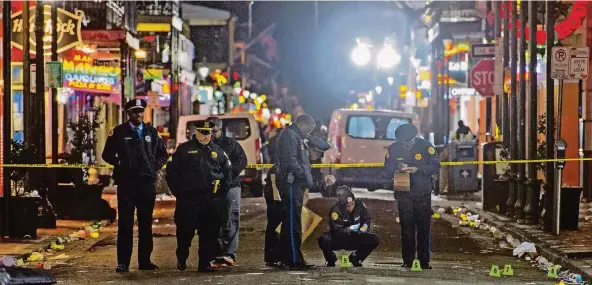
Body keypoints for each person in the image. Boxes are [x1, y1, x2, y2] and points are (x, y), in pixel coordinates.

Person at [102, 98, 168, 273]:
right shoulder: (118, 132)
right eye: (134, 111)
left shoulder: (151, 132)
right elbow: (106, 154)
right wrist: (120, 164)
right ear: (128, 113)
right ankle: (123, 262)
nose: (138, 114)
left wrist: (152, 166)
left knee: (145, 223)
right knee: (125, 223)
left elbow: (163, 154)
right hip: (127, 183)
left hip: (146, 183)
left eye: (140, 111)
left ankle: (145, 261)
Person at [165, 120, 232, 272]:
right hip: (189, 199)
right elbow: (171, 173)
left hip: (211, 199)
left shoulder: (218, 151)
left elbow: (228, 173)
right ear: (196, 132)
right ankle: (182, 255)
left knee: (209, 232)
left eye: (208, 133)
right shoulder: (184, 150)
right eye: (203, 133)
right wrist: (179, 192)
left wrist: (222, 192)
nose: (205, 136)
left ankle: (205, 263)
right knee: (185, 232)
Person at [264, 135, 333, 267]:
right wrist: (322, 184)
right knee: (277, 220)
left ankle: (279, 257)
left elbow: (305, 181)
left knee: (283, 223)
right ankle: (275, 257)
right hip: (277, 187)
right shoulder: (300, 157)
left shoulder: (303, 157)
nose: (318, 157)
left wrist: (322, 184)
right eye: (318, 153)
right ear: (311, 149)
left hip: (280, 187)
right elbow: (302, 179)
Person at [384, 123, 440, 270]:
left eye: (407, 142)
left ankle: (424, 261)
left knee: (423, 227)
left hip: (422, 192)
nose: (405, 145)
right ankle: (407, 260)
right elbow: (387, 167)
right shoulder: (394, 148)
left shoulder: (426, 146)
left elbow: (435, 166)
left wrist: (417, 169)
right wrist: (397, 168)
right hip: (404, 192)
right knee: (406, 227)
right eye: (402, 142)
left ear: (413, 138)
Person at [275, 114, 316, 269]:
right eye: (308, 128)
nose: (309, 132)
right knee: (293, 222)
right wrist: (304, 176)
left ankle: (285, 257)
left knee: (289, 221)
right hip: (291, 182)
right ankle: (294, 259)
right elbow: (291, 161)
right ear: (301, 124)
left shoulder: (294, 136)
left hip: (294, 182)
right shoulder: (290, 136)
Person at [206, 116, 248, 267]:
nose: (210, 134)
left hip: (230, 187)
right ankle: (216, 253)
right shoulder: (202, 145)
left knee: (231, 219)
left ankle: (228, 254)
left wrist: (229, 173)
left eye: (214, 131)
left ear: (219, 129)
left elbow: (242, 160)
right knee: (212, 221)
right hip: (210, 188)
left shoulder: (230, 144)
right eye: (208, 130)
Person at [317, 186, 380, 267]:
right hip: (339, 238)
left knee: (374, 239)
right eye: (346, 206)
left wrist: (363, 228)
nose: (349, 208)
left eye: (351, 205)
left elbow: (366, 221)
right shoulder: (335, 210)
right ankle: (331, 259)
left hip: (356, 236)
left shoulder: (361, 206)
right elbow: (336, 230)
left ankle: (356, 257)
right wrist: (349, 229)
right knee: (323, 239)